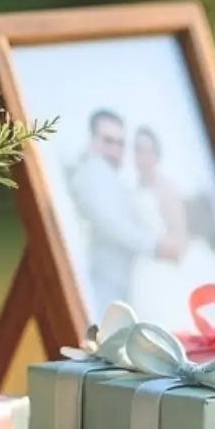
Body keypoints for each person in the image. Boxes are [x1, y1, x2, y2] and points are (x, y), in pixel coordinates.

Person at [67, 110, 179, 315]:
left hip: (129, 281)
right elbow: (110, 224)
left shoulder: (117, 181)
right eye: (108, 141)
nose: (115, 149)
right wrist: (155, 246)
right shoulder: (90, 173)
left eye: (120, 144)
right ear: (92, 140)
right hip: (103, 283)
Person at [127, 126, 215, 322]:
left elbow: (179, 238)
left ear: (156, 155)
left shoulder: (165, 188)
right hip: (146, 265)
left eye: (147, 151)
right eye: (138, 150)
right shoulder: (133, 190)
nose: (142, 157)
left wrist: (159, 251)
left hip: (165, 264)